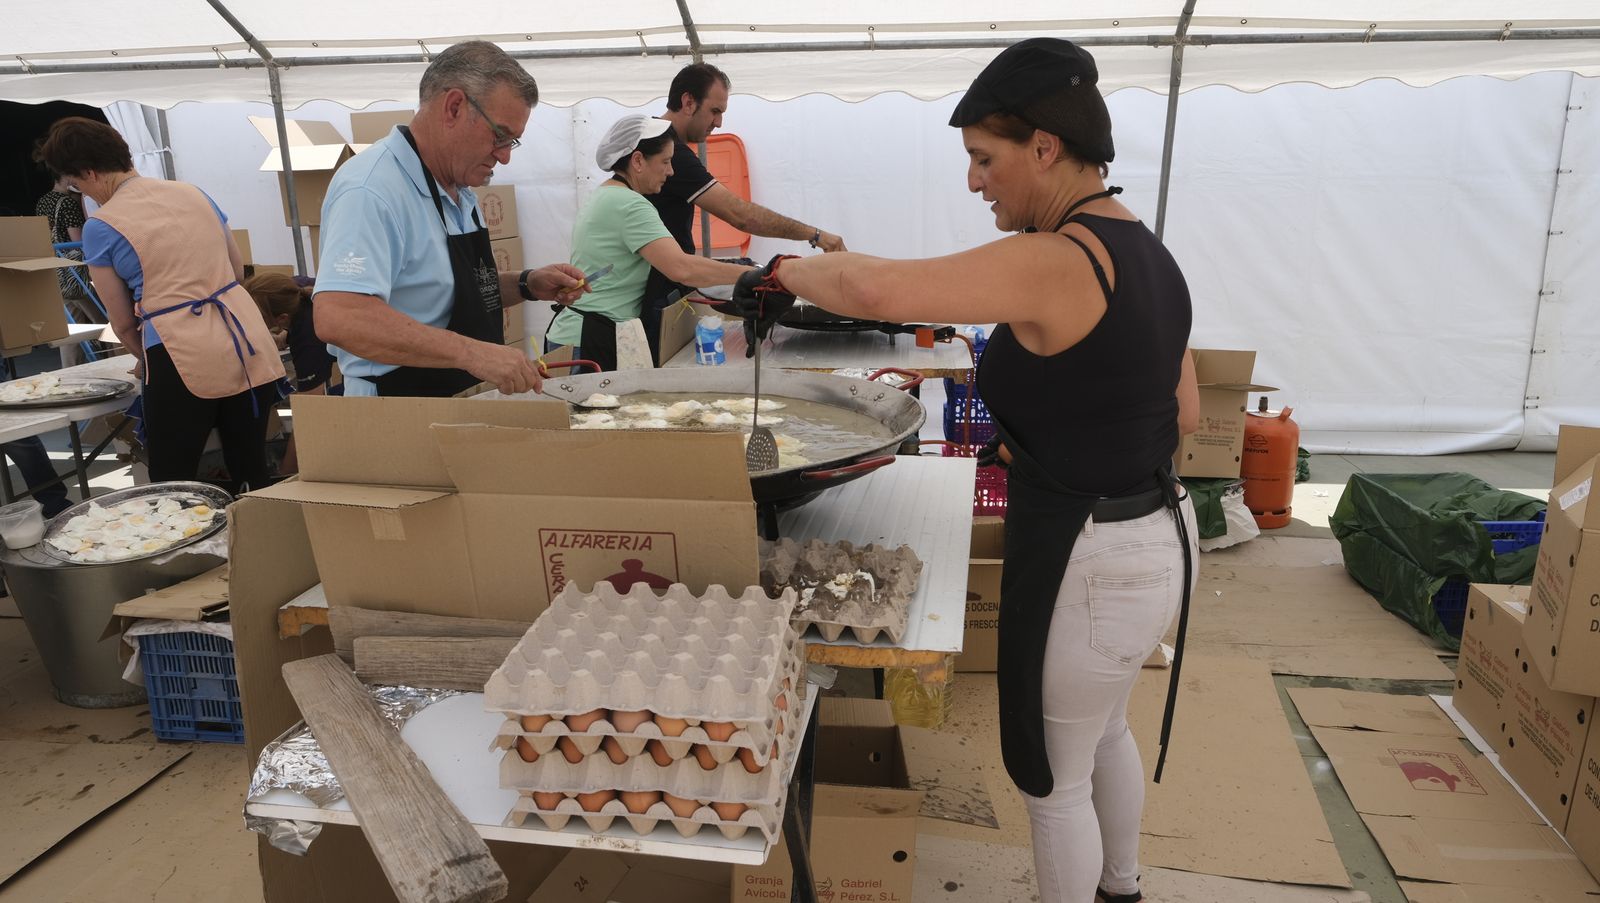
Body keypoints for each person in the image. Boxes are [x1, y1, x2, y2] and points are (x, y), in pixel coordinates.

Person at [721, 39, 1199, 903]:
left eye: (985, 158)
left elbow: (877, 291)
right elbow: (1184, 414)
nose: (976, 182)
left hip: (1091, 553)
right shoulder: (1148, 253)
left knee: (1051, 782)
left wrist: (781, 271)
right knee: (1100, 735)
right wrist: (1064, 430)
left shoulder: (1062, 256)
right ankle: (1122, 887)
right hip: (1159, 533)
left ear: (1044, 148)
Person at [312, 41, 588, 398]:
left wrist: (526, 284)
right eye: (500, 136)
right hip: (400, 409)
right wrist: (472, 353)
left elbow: (443, 293)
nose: (504, 157)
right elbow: (340, 316)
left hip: (458, 399)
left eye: (512, 143)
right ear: (454, 107)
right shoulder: (371, 190)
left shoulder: (458, 188)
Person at [36, 117, 285, 492]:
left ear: (89, 173)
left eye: (78, 184)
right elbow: (236, 270)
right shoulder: (193, 193)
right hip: (245, 340)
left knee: (173, 482)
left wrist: (145, 356)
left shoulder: (102, 225)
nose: (83, 193)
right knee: (251, 471)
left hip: (180, 354)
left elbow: (121, 323)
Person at [634, 63, 848, 361]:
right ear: (688, 102)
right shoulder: (669, 151)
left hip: (662, 286)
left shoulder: (659, 142)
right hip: (648, 293)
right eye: (715, 111)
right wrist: (814, 236)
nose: (719, 122)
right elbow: (740, 215)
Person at [544, 115, 753, 370]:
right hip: (589, 338)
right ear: (638, 160)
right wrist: (752, 275)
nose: (671, 171)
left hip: (574, 332)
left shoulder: (604, 194)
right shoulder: (630, 204)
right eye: (665, 161)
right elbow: (682, 268)